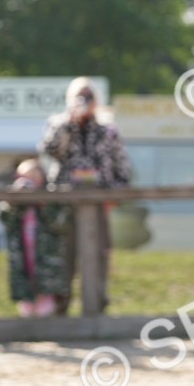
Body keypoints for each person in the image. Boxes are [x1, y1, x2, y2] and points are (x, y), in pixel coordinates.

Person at [39, 77, 130, 315]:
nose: (85, 102)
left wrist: (114, 197)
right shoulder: (58, 124)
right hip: (64, 203)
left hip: (98, 204)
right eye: (80, 97)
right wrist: (70, 121)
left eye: (89, 97)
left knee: (98, 256)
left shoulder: (107, 130)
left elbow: (123, 170)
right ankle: (59, 311)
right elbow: (49, 149)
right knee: (62, 256)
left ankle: (97, 308)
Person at [0, 158, 69, 317]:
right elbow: (5, 219)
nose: (28, 182)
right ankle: (28, 323)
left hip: (46, 257)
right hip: (23, 257)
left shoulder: (51, 199)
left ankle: (47, 318)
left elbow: (59, 224)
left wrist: (43, 202)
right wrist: (14, 201)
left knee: (46, 296)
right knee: (26, 296)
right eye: (24, 177)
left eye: (33, 177)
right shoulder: (13, 201)